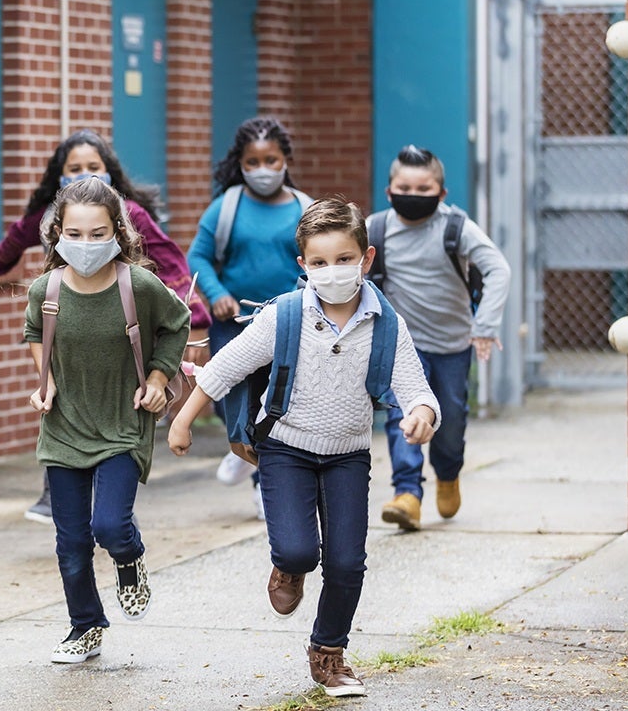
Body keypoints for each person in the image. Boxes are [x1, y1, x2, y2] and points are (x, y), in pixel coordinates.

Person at [167, 197, 439, 698]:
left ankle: (329, 652)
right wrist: (183, 420)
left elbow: (415, 388)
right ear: (303, 265)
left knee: (346, 562)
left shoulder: (387, 324)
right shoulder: (285, 315)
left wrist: (422, 414)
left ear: (367, 258)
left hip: (348, 455)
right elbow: (228, 366)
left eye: (343, 260)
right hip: (286, 450)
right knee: (299, 548)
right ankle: (289, 563)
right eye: (319, 262)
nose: (331, 271)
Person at [0, 128, 209, 523]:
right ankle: (59, 494)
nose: (85, 174)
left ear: (110, 171)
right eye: (74, 168)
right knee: (66, 407)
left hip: (118, 333)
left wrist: (194, 323)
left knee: (111, 504)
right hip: (69, 328)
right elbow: (16, 237)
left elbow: (171, 261)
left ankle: (114, 511)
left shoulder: (129, 214)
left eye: (94, 167)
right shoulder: (53, 215)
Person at [23, 177, 190, 664]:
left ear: (118, 231)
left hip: (122, 424)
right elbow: (35, 332)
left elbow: (176, 323)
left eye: (98, 234)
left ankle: (129, 556)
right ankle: (85, 626)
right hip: (63, 429)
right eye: (75, 234)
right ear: (57, 234)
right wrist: (46, 378)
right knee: (71, 542)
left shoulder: (135, 285)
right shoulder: (46, 289)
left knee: (110, 526)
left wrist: (158, 381)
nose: (87, 244)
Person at [370, 144, 511, 532]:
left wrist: (484, 326)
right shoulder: (375, 230)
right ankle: (408, 494)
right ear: (389, 190)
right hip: (402, 347)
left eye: (424, 189)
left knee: (449, 425)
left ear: (442, 194)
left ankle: (448, 474)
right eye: (405, 188)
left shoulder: (456, 228)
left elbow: (498, 269)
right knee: (403, 415)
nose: (413, 196)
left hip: (451, 346)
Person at [186, 117, 312, 520]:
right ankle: (238, 442)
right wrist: (217, 295)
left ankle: (263, 484)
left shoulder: (304, 208)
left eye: (270, 159)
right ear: (240, 163)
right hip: (235, 323)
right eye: (253, 161)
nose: (262, 169)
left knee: (273, 403)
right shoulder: (227, 207)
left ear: (285, 160)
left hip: (288, 324)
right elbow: (198, 257)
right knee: (228, 396)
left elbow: (318, 258)